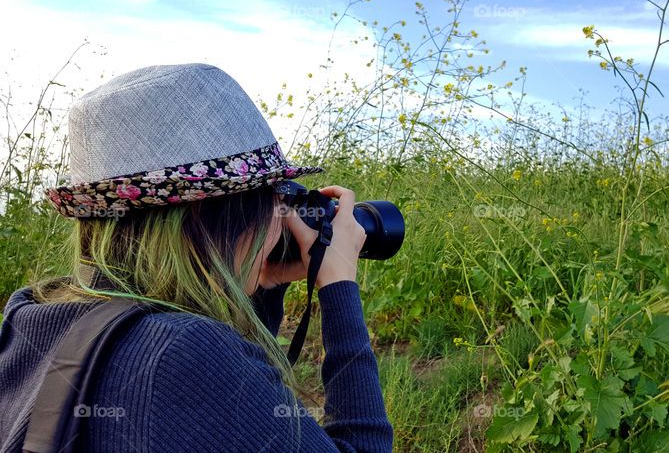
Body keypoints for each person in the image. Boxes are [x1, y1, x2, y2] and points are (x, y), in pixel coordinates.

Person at [0, 63, 393, 452]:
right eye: (278, 197)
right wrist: (339, 286)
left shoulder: (30, 313)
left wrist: (261, 282)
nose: (281, 218)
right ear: (213, 216)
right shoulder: (183, 352)